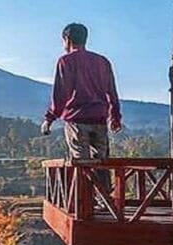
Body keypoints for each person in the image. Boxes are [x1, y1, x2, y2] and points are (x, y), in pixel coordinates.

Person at [41, 23, 123, 162]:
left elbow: (61, 94)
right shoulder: (102, 62)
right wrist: (115, 117)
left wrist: (49, 119)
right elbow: (112, 93)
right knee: (101, 165)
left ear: (67, 39)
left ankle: (85, 177)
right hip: (100, 120)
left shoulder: (66, 61)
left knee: (82, 166)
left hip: (77, 121)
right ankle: (102, 178)